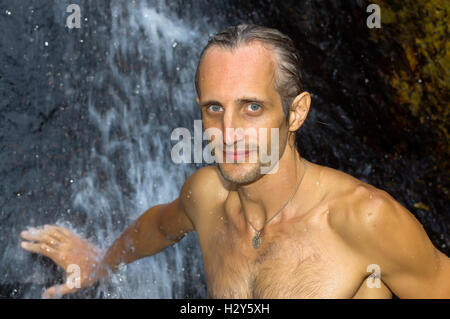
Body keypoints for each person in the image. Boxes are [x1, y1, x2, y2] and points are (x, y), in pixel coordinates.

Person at [20, 24, 449, 299]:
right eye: (214, 108)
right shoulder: (206, 196)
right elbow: (158, 226)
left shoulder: (363, 221)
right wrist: (97, 263)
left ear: (295, 112)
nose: (228, 131)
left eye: (252, 108)